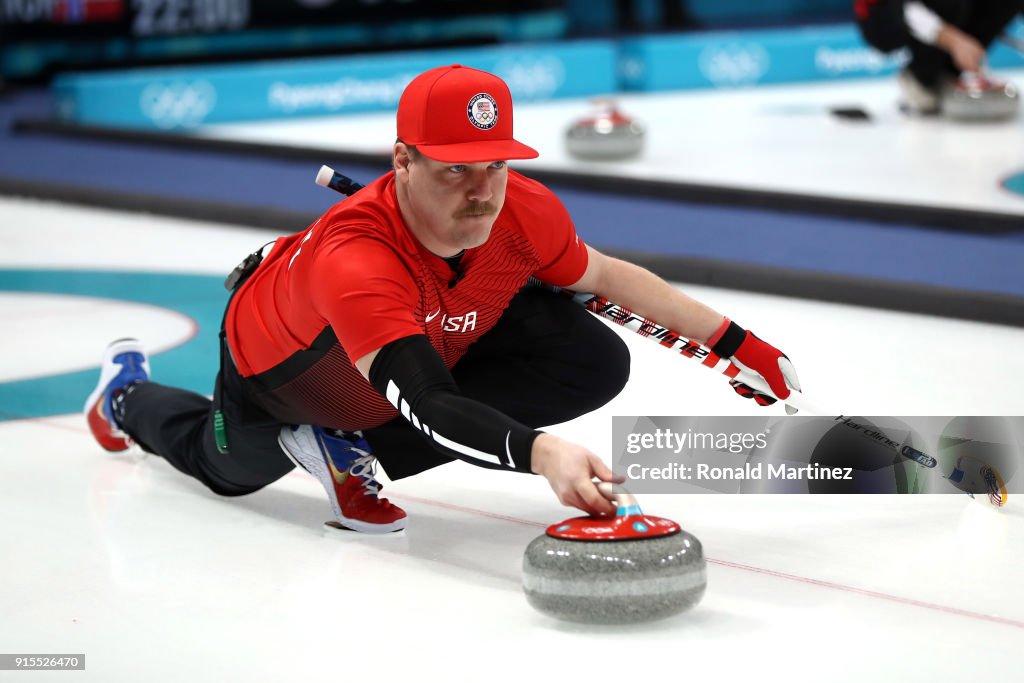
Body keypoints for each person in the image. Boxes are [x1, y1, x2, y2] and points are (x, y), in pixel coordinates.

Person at [84, 64, 801, 534]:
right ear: (404, 160)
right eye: (456, 169)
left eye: (495, 164)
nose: (483, 191)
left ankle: (350, 446)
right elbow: (428, 402)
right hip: (282, 376)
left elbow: (607, 278)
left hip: (421, 329)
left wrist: (739, 346)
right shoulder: (357, 258)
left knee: (588, 357)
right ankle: (125, 395)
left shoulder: (522, 208)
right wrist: (540, 452)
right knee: (227, 471)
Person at [854, 0, 1023, 114]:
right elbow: (904, 8)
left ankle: (947, 72)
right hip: (881, 13)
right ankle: (921, 77)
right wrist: (954, 41)